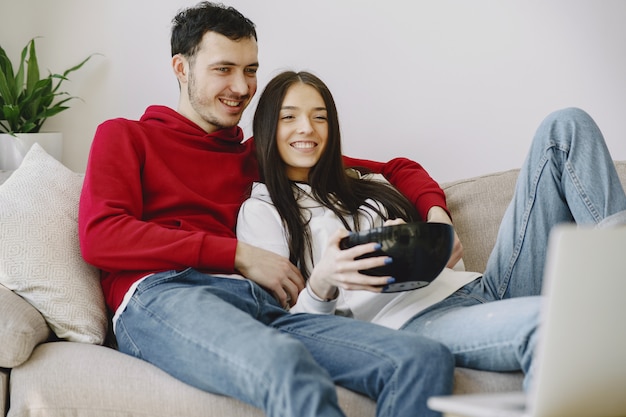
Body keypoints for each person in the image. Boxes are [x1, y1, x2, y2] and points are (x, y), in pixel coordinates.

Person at [78, 3, 455, 417]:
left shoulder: (256, 156)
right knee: (288, 366)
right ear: (182, 69)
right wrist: (240, 255)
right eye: (224, 69)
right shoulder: (125, 136)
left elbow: (396, 169)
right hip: (165, 295)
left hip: (260, 305)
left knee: (421, 359)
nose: (242, 87)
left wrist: (437, 216)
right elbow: (102, 235)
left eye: (251, 69)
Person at [236, 70, 626, 392]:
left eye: (319, 116)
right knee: (556, 322)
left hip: (481, 288)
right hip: (417, 323)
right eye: (289, 117)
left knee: (565, 125)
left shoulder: (365, 185)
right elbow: (286, 326)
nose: (307, 127)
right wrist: (323, 279)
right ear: (269, 126)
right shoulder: (262, 211)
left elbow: (405, 170)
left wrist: (422, 238)